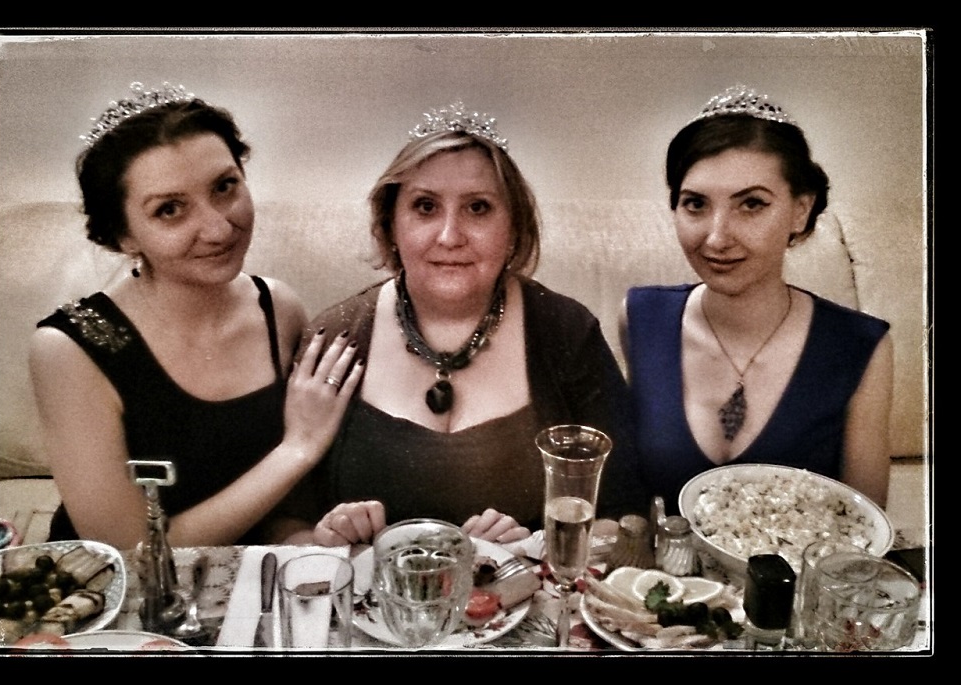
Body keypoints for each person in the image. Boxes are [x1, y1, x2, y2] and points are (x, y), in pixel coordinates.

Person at [283, 102, 644, 546]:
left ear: (514, 228)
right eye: (425, 207)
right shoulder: (335, 337)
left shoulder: (567, 331)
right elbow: (283, 525)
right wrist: (325, 540)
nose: (450, 236)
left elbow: (628, 515)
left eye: (478, 207)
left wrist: (538, 547)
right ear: (390, 225)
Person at [29, 82, 363, 550]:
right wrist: (298, 450)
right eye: (170, 210)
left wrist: (301, 534)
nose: (218, 228)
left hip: (254, 569)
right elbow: (130, 552)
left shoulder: (278, 308)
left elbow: (284, 502)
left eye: (224, 187)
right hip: (129, 587)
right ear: (122, 236)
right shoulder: (71, 348)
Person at [620, 85, 893, 514]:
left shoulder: (859, 345)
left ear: (801, 210)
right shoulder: (640, 318)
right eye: (695, 204)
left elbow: (864, 523)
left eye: (751, 204)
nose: (717, 237)